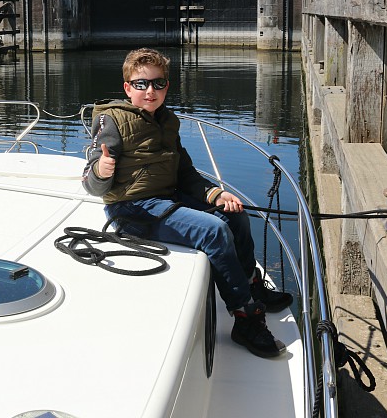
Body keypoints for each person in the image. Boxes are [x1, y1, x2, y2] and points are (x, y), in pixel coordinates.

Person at [82, 48, 293, 358]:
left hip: (166, 199)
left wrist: (216, 195)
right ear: (127, 88)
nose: (150, 91)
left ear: (167, 86)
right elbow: (90, 178)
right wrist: (101, 170)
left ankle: (251, 285)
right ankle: (246, 318)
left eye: (158, 84)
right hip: (131, 210)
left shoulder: (168, 122)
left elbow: (185, 173)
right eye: (141, 84)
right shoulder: (111, 120)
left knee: (235, 216)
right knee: (214, 231)